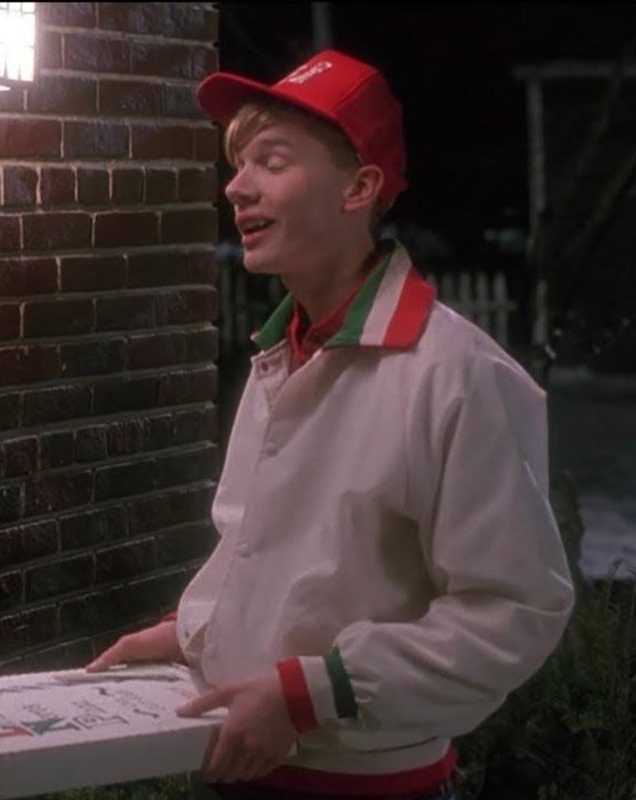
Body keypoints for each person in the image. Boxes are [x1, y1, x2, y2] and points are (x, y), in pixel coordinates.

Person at [87, 49, 575, 799]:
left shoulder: (457, 374)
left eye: (270, 162)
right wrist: (190, 632)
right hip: (242, 766)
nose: (237, 187)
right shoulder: (282, 353)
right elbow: (272, 555)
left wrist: (311, 695)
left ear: (359, 187)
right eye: (238, 164)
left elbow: (514, 610)